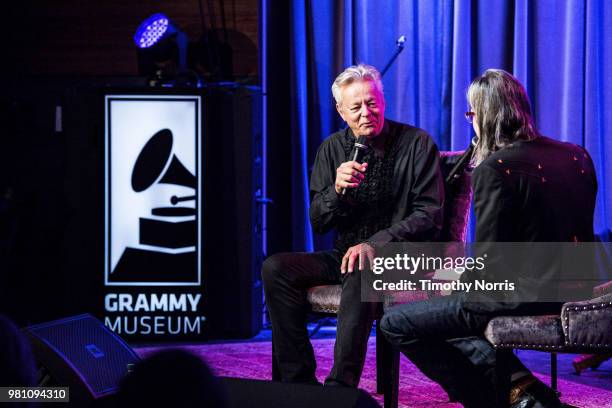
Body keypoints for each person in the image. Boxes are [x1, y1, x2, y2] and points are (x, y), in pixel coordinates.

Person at [380, 69, 597, 407]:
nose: (471, 121)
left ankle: (492, 401)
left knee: (396, 321)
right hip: (580, 287)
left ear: (486, 114)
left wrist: (455, 279)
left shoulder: (495, 168)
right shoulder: (576, 155)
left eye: (472, 113)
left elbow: (492, 267)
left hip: (525, 294)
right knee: (449, 317)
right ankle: (527, 394)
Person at [262, 64, 445, 387]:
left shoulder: (417, 144)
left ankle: (340, 386)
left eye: (372, 103)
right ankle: (298, 383)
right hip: (346, 255)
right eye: (356, 107)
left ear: (383, 102)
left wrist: (376, 243)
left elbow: (429, 215)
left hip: (403, 258)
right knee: (276, 267)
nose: (366, 113)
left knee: (363, 263)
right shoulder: (332, 149)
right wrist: (335, 192)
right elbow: (319, 222)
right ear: (341, 111)